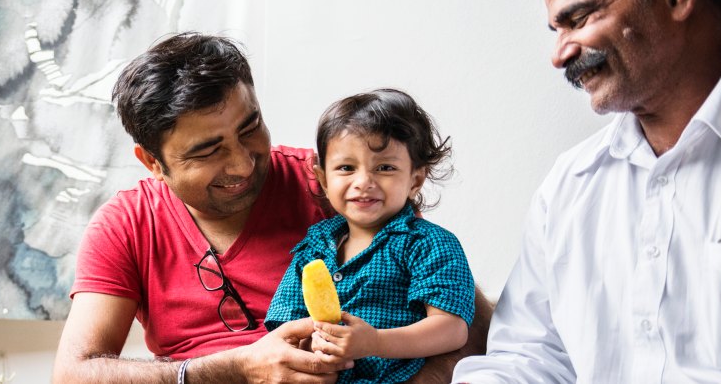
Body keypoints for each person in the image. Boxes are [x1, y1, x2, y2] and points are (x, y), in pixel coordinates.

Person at [54, 33, 490, 384]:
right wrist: (234, 369)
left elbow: (468, 319)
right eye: (207, 152)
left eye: (250, 128)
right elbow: (74, 374)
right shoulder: (126, 225)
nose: (243, 163)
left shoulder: (333, 185)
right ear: (153, 162)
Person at [452, 0, 721, 381]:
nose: (560, 55)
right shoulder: (570, 184)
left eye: (577, 19)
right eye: (557, 31)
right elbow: (528, 355)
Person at [263, 89, 474, 383]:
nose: (364, 182)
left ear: (415, 180)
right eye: (346, 168)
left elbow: (451, 329)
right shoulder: (313, 247)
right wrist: (314, 345)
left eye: (385, 167)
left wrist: (374, 342)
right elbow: (285, 326)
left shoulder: (429, 244)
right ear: (323, 179)